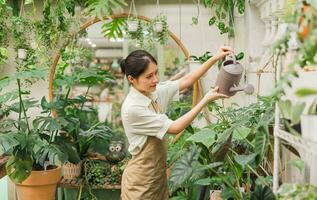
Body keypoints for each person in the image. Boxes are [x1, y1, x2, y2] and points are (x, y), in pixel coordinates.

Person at [120, 47, 232, 200]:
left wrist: (214, 58)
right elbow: (175, 128)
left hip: (157, 175)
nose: (155, 79)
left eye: (155, 73)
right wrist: (204, 100)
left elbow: (186, 81)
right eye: (149, 76)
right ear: (131, 79)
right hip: (140, 181)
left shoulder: (152, 92)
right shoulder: (133, 108)